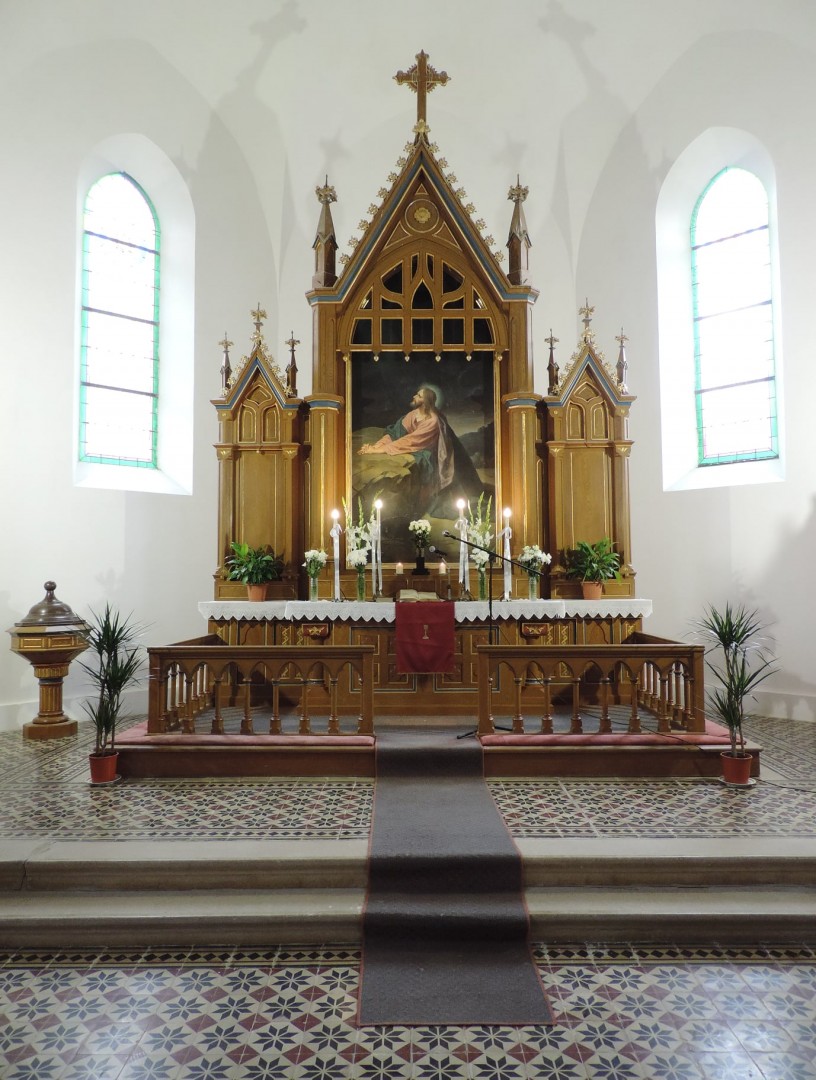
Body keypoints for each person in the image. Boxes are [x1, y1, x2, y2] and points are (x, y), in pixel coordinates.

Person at [359, 385, 481, 514]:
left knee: (421, 463)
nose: (414, 396)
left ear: (425, 401)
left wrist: (380, 450)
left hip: (429, 453)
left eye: (418, 396)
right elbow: (395, 434)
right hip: (414, 447)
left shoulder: (433, 421)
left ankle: (418, 506)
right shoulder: (413, 415)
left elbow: (411, 440)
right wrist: (376, 446)